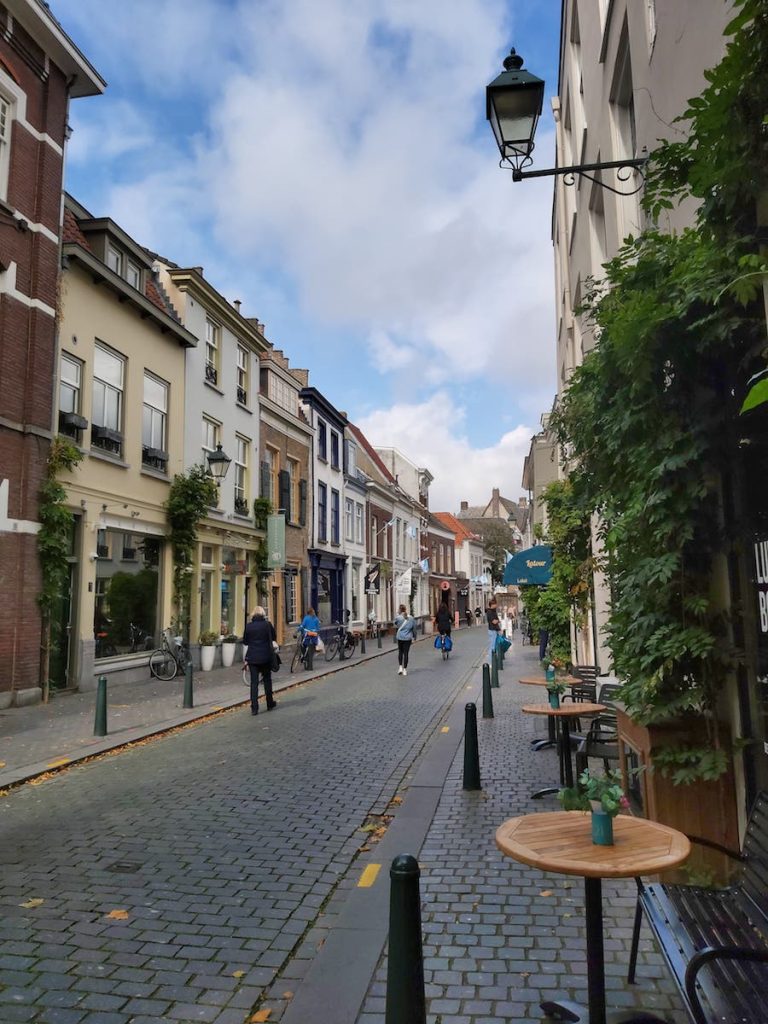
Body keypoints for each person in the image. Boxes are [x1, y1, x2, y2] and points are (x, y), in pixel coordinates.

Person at [242, 606, 277, 715]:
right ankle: (269, 703)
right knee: (267, 680)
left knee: (254, 683)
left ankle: (254, 708)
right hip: (265, 657)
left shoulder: (248, 626)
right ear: (263, 614)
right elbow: (274, 637)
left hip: (252, 657)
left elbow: (245, 641)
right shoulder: (267, 625)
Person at [394, 603, 416, 676]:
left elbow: (395, 624)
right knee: (406, 653)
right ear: (405, 609)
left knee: (400, 652)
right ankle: (405, 670)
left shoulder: (398, 618)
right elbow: (414, 628)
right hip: (408, 638)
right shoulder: (411, 618)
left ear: (400, 610)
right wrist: (414, 637)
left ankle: (400, 667)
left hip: (400, 637)